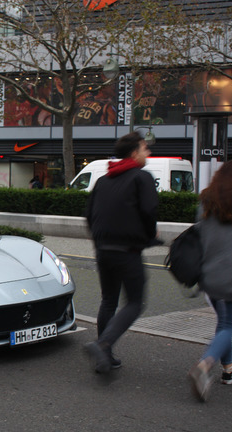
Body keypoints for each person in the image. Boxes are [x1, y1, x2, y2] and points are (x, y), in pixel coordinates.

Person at [83, 131, 159, 374]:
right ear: (134, 153)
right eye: (145, 148)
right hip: (128, 251)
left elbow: (89, 216)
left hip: (103, 250)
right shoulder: (141, 177)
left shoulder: (103, 181)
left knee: (108, 300)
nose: (148, 153)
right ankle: (103, 344)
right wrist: (150, 237)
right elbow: (149, 212)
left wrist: (99, 241)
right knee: (135, 302)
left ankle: (104, 357)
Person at [188, 160, 232, 402]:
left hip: (210, 274)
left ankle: (229, 370)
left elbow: (199, 233)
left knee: (223, 323)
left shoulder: (206, 201)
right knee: (229, 326)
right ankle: (205, 365)